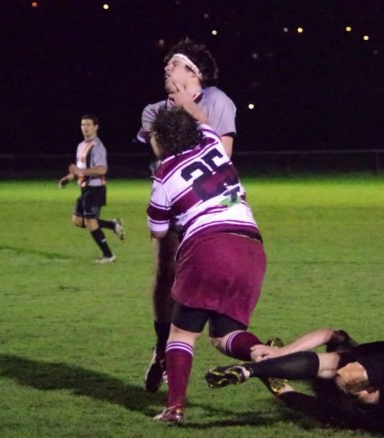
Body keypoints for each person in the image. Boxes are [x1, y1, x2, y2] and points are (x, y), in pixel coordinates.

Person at [146, 108, 265, 425]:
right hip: (251, 245)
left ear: (164, 138)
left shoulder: (163, 174)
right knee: (225, 336)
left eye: (152, 136)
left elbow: (159, 233)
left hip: (210, 246)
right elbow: (204, 123)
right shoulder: (211, 139)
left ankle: (174, 409)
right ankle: (267, 356)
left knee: (181, 334)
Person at [137, 38, 237, 393]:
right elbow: (166, 157)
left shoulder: (217, 101)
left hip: (210, 206)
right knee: (166, 272)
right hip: (174, 200)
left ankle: (200, 344)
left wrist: (191, 110)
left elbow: (220, 157)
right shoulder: (153, 111)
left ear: (194, 72)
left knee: (200, 282)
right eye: (165, 65)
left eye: (174, 64)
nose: (166, 69)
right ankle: (162, 348)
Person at [205, 301, 384, 432]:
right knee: (342, 371)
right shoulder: (342, 405)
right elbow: (290, 394)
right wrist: (273, 364)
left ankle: (250, 370)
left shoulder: (336, 402)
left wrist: (276, 360)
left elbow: (290, 393)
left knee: (335, 368)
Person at [58, 114, 124, 264]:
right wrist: (67, 178)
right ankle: (112, 224)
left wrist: (81, 172)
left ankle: (108, 255)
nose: (85, 128)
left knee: (91, 222)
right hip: (84, 189)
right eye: (83, 125)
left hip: (96, 189)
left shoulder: (97, 147)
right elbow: (79, 169)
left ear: (96, 127)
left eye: (88, 125)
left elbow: (102, 169)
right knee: (77, 220)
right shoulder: (81, 146)